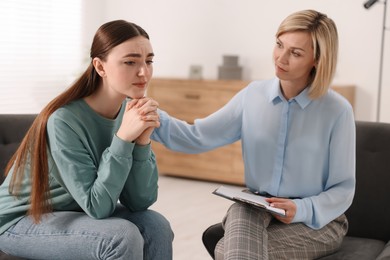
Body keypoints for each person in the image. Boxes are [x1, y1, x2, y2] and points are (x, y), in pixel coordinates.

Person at [151, 9, 355, 259]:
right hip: (257, 206)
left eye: (296, 53)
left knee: (228, 249)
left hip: (319, 222)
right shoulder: (253, 96)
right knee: (241, 213)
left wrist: (300, 208)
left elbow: (343, 189)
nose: (281, 57)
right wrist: (149, 117)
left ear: (317, 60)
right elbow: (198, 136)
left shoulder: (337, 111)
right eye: (280, 45)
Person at [0, 20, 173, 260]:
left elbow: (140, 201)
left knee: (155, 224)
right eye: (130, 62)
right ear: (100, 67)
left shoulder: (129, 113)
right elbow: (98, 206)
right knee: (121, 236)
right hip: (20, 220)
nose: (143, 71)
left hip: (72, 212)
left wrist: (142, 142)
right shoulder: (64, 120)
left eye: (149, 61)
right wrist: (123, 138)